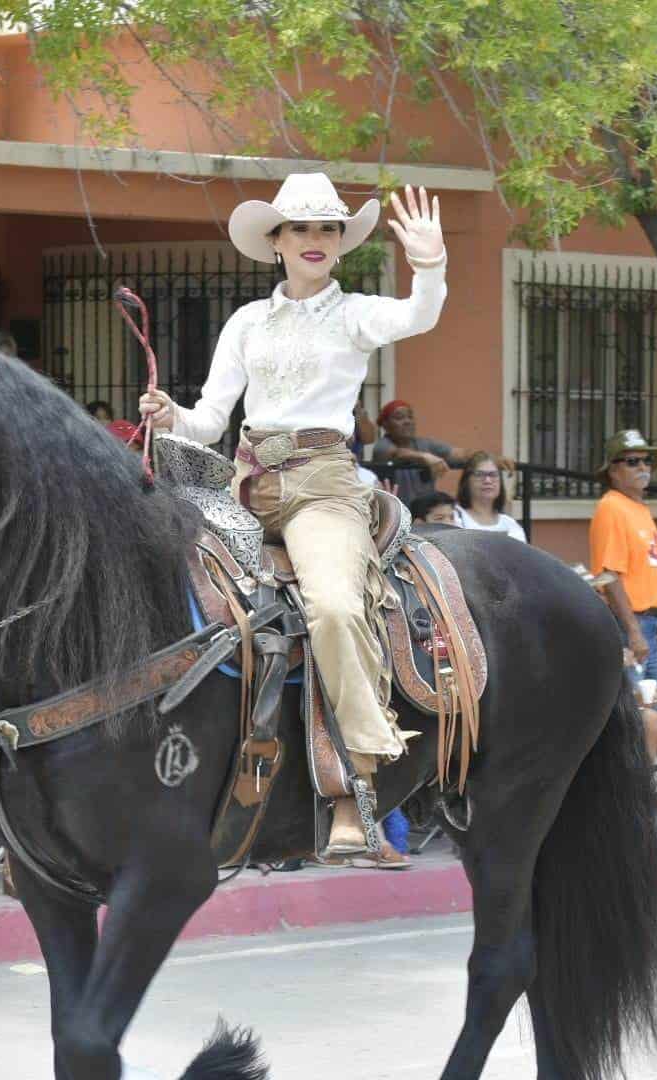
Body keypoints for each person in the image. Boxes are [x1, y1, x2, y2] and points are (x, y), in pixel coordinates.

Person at [138, 175, 446, 856]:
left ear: (340, 244)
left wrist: (430, 264)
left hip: (322, 485)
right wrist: (171, 417)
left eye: (328, 229)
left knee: (334, 609)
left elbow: (418, 317)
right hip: (244, 482)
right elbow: (211, 419)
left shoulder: (356, 312)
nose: (316, 240)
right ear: (274, 243)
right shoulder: (248, 322)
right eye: (301, 228)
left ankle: (361, 777)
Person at [589, 430, 657, 682]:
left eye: (647, 461)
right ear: (613, 471)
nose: (643, 467)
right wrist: (633, 632)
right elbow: (608, 576)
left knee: (650, 708)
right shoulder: (612, 507)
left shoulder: (638, 507)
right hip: (632, 626)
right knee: (638, 711)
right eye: (632, 462)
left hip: (651, 624)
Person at [371, 400, 471, 476]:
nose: (407, 421)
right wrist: (425, 457)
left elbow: (459, 454)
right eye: (399, 417)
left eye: (410, 417)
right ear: (385, 425)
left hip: (426, 503)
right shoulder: (382, 445)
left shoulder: (426, 444)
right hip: (394, 503)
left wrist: (473, 457)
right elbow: (397, 453)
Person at [454, 452, 525, 541]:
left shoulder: (510, 524)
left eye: (493, 475)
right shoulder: (454, 518)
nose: (487, 480)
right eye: (479, 474)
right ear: (467, 481)